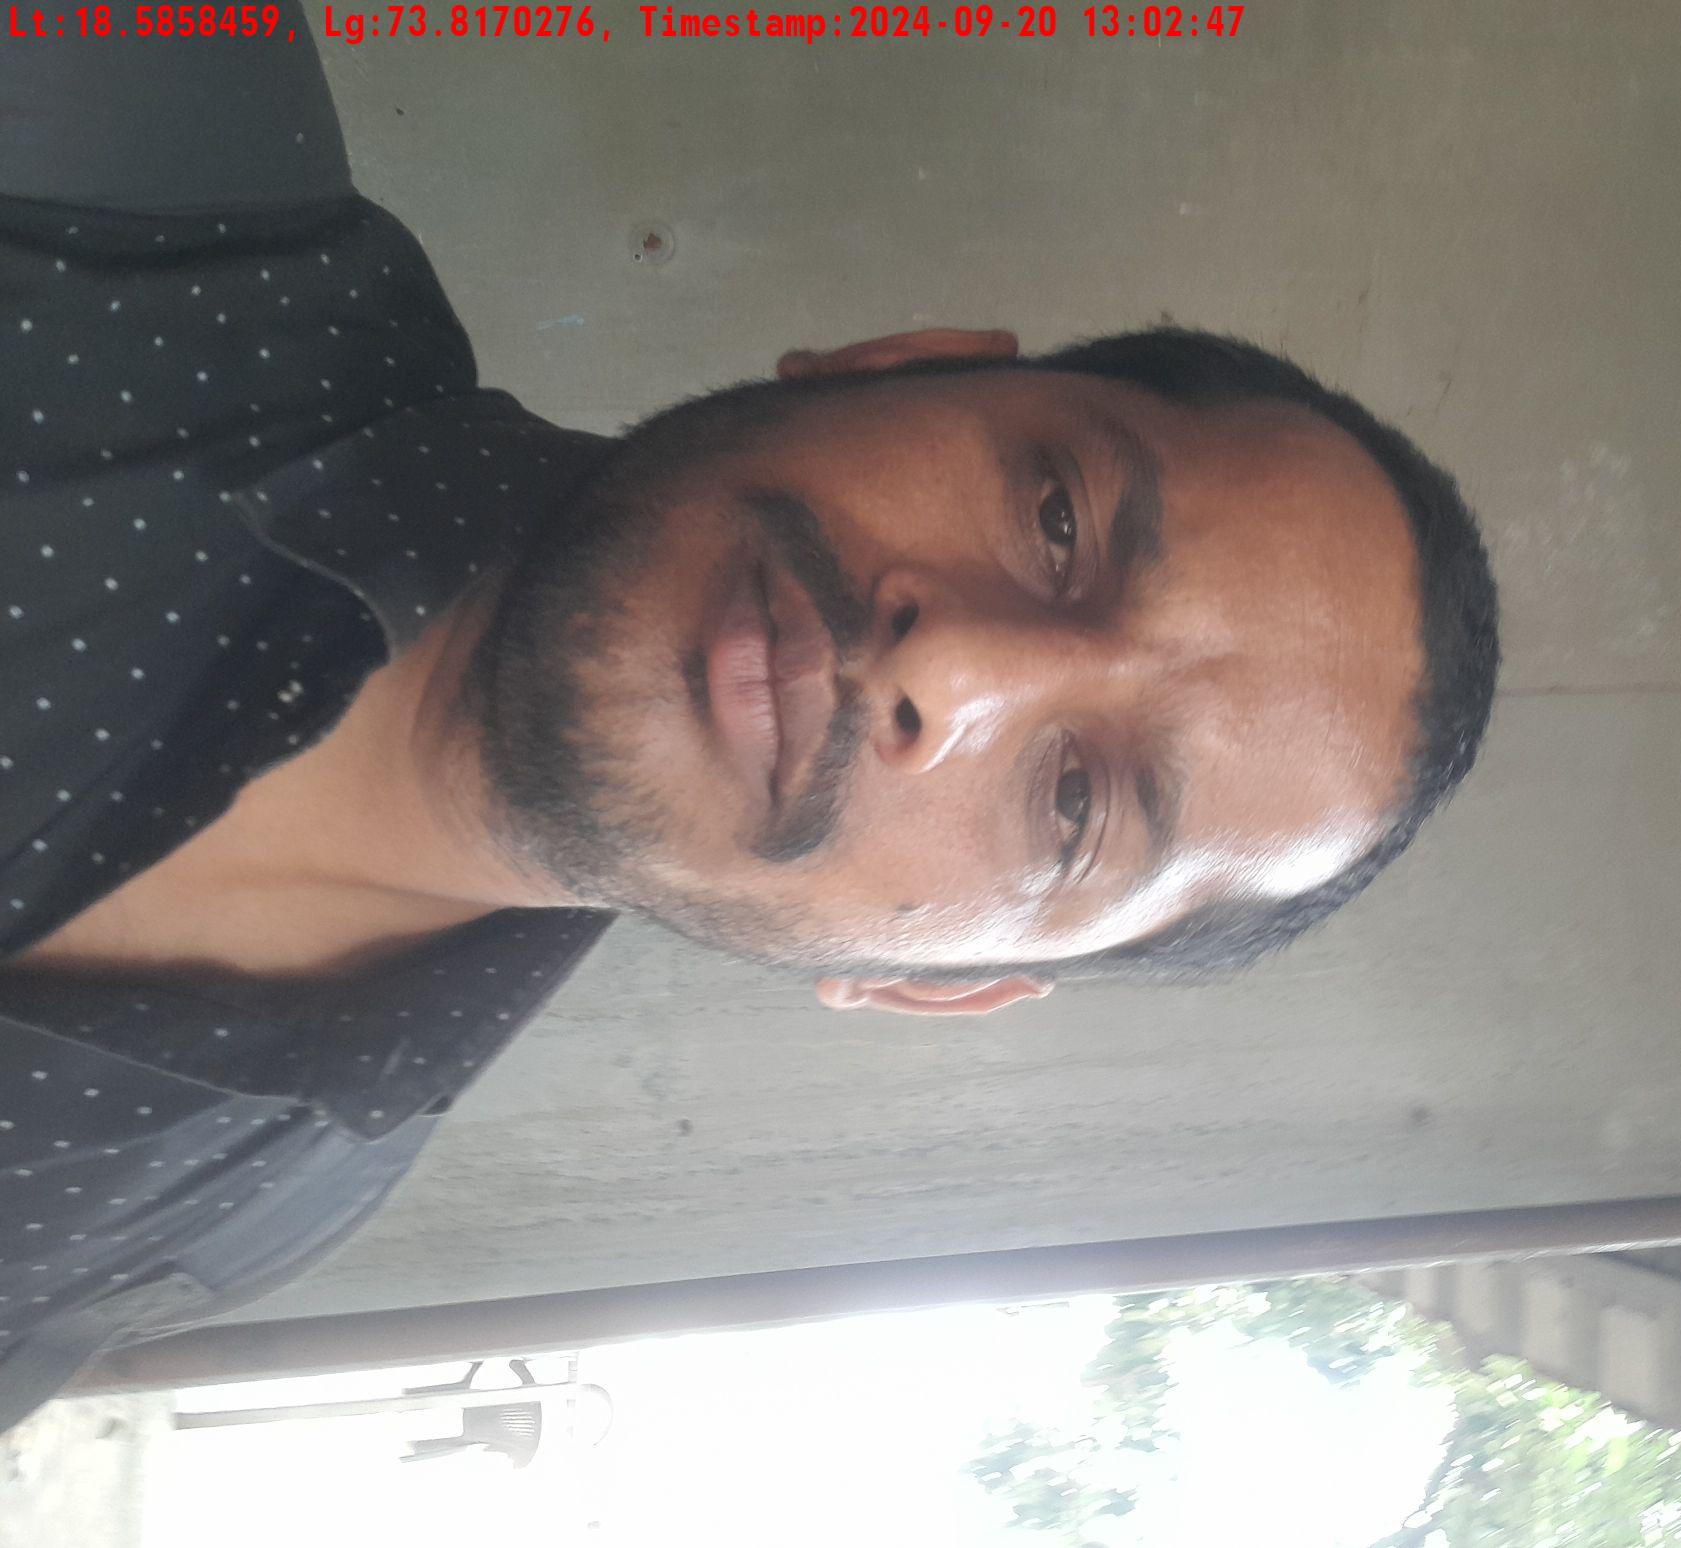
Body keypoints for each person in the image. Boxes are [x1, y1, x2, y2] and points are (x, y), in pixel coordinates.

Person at [0, 18, 1498, 1426]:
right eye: (1059, 519)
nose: (953, 672)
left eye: (1074, 806)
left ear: (929, 985)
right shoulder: (124, 131)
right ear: (896, 363)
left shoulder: (240, 1223)